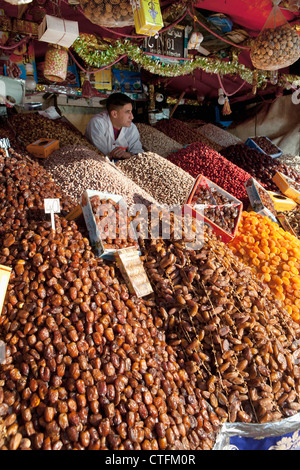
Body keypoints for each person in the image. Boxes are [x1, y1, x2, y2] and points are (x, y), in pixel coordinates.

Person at [85, 92, 143, 160]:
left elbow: (139, 154)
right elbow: (105, 153)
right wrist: (127, 155)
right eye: (127, 112)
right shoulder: (97, 123)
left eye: (131, 111)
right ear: (114, 114)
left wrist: (128, 154)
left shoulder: (131, 128)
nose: (132, 117)